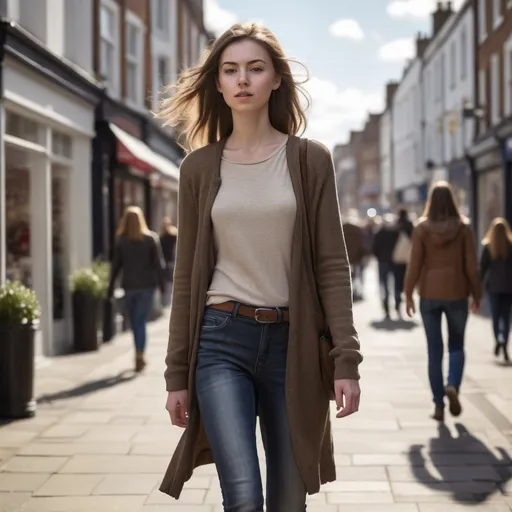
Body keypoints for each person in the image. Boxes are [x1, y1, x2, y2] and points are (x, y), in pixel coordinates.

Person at [156, 23, 363, 511]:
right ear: (219, 84)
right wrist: (176, 374)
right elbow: (186, 276)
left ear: (275, 80)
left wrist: (346, 361)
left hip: (293, 345)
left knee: (288, 500)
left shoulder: (310, 160)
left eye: (255, 68)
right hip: (220, 339)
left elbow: (333, 264)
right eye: (230, 70)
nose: (242, 79)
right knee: (244, 497)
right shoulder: (199, 169)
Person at [404, 182, 481, 423]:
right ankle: (453, 386)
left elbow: (414, 263)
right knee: (456, 345)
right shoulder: (464, 228)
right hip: (457, 293)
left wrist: (407, 294)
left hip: (429, 294)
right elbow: (471, 264)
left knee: (434, 351)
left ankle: (438, 405)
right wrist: (477, 294)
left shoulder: (421, 229)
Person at [108, 206, 166, 372]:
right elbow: (159, 265)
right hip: (147, 286)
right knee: (140, 322)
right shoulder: (150, 239)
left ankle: (139, 353)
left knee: (135, 322)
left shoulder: (121, 240)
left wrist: (110, 288)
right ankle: (140, 354)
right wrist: (163, 288)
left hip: (130, 287)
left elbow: (115, 267)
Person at [480, 218, 512, 361]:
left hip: (493, 286)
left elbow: (483, 269)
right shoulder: (510, 246)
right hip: (508, 286)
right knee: (506, 317)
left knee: (495, 316)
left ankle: (498, 338)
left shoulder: (488, 246)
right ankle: (504, 342)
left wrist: (477, 287)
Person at [342, 215, 367, 300]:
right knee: (358, 276)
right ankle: (357, 292)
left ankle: (350, 292)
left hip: (346, 257)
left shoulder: (342, 229)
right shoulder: (358, 230)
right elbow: (362, 244)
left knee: (348, 276)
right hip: (356, 257)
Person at [159, 216, 178, 307]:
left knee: (169, 280)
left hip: (169, 261)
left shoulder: (171, 236)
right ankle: (167, 300)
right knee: (168, 280)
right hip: (167, 261)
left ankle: (168, 300)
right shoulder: (163, 237)